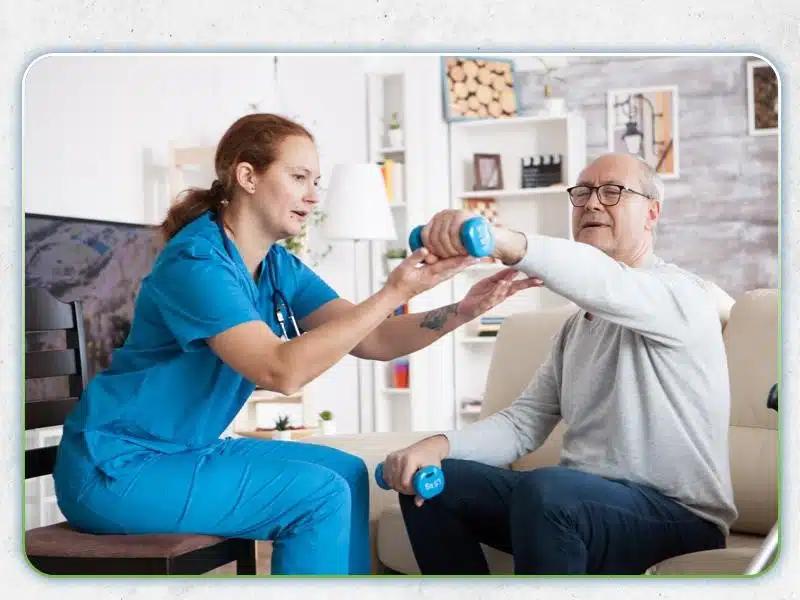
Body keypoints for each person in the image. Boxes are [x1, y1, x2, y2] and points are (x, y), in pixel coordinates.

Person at [51, 113, 540, 576]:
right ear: (247, 176)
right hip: (115, 469)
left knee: (347, 475)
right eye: (300, 177)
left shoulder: (276, 265)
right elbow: (280, 371)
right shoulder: (197, 264)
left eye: (317, 182)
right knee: (317, 497)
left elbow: (375, 339)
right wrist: (395, 291)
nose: (313, 197)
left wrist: (463, 309)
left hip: (183, 452)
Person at [379, 152, 737, 575]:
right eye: (582, 192)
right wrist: (437, 447)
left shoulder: (682, 296)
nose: (592, 204)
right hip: (583, 504)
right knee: (436, 485)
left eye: (612, 192)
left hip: (678, 516)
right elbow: (522, 423)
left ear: (652, 213)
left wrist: (500, 239)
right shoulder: (575, 329)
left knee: (547, 490)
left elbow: (605, 283)